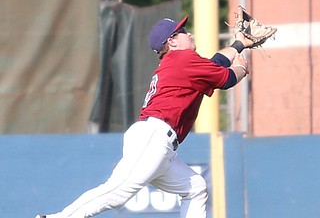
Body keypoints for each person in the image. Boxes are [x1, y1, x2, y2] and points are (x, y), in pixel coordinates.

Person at [36, 15, 252, 218]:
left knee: (195, 188)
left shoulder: (181, 63)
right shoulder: (183, 59)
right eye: (183, 31)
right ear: (173, 42)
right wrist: (242, 65)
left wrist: (239, 43)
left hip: (159, 142)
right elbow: (227, 79)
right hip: (154, 137)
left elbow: (214, 65)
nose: (190, 34)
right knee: (117, 192)